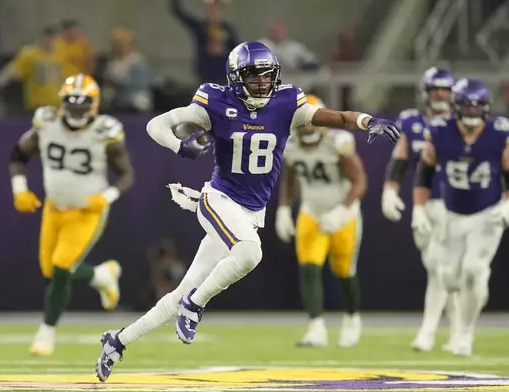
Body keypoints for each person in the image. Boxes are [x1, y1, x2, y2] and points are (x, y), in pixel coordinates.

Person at [93, 41, 399, 382]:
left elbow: (339, 117)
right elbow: (156, 126)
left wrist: (367, 121)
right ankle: (195, 305)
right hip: (219, 200)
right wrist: (180, 145)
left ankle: (118, 341)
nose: (263, 84)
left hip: (250, 211)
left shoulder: (287, 102)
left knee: (180, 292)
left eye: (268, 77)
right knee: (250, 253)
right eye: (255, 77)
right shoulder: (215, 100)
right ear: (236, 77)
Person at [8, 73, 135, 356]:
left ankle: (46, 333)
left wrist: (106, 197)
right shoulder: (47, 122)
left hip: (87, 212)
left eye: (83, 103)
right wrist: (19, 189)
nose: (77, 108)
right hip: (54, 207)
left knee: (62, 265)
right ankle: (101, 274)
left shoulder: (106, 130)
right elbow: (18, 155)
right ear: (63, 103)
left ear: (95, 104)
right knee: (49, 269)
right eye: (72, 102)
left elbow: (126, 174)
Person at [413, 78, 509, 357]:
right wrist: (419, 207)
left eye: (477, 107)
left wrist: (506, 203)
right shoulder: (440, 131)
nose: (471, 112)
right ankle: (462, 320)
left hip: (487, 213)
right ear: (456, 107)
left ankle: (465, 333)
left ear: (486, 108)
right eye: (466, 107)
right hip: (452, 213)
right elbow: (424, 172)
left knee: (473, 270)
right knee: (449, 278)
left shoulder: (498, 133)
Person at [276, 95, 366, 348]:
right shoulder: (289, 145)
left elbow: (359, 181)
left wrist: (341, 212)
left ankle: (351, 319)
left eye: (311, 120)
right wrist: (284, 208)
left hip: (343, 213)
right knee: (309, 268)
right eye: (302, 122)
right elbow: (290, 179)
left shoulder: (337, 143)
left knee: (345, 272)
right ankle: (316, 328)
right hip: (311, 211)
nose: (306, 127)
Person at [381, 67, 460, 352]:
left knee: (441, 268)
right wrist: (390, 190)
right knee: (439, 269)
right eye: (436, 88)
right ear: (426, 91)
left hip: (456, 205)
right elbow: (399, 160)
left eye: (445, 89)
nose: (441, 94)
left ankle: (428, 332)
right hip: (424, 205)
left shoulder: (463, 122)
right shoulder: (412, 121)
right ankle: (459, 332)